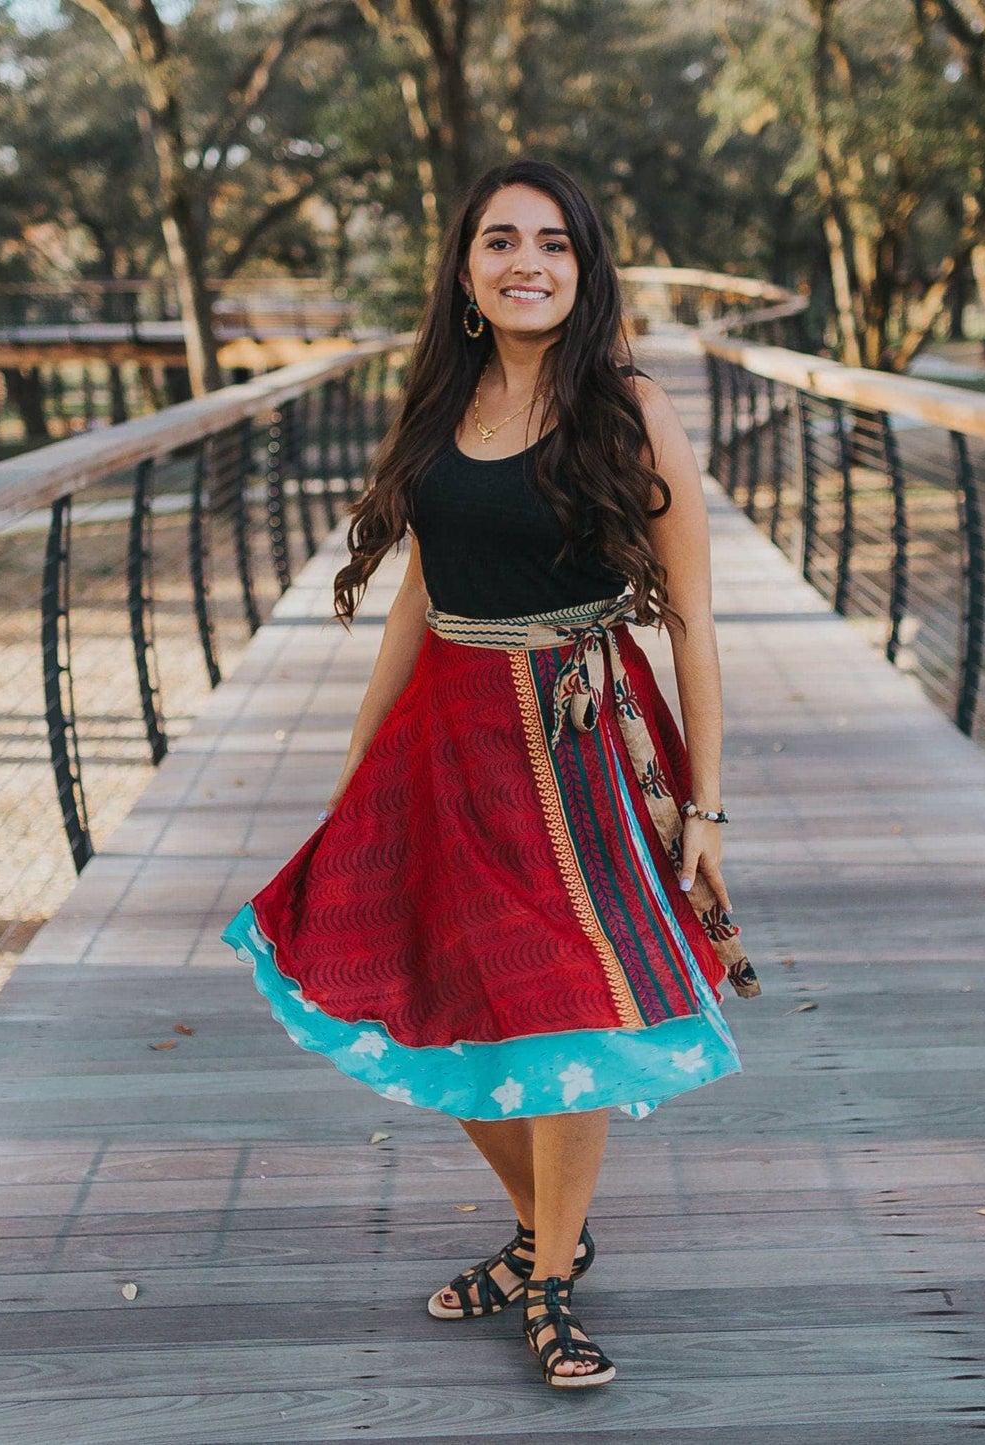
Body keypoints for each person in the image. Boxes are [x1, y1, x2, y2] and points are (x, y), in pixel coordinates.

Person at [221, 157, 758, 1390]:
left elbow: (691, 622)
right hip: (445, 739)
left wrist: (709, 808)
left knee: (568, 995)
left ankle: (553, 1277)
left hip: (581, 741)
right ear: (465, 271)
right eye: (502, 241)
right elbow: (424, 585)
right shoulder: (446, 402)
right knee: (423, 985)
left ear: (586, 267)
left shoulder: (627, 408)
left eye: (555, 243)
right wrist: (357, 763)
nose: (528, 262)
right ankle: (540, 1231)